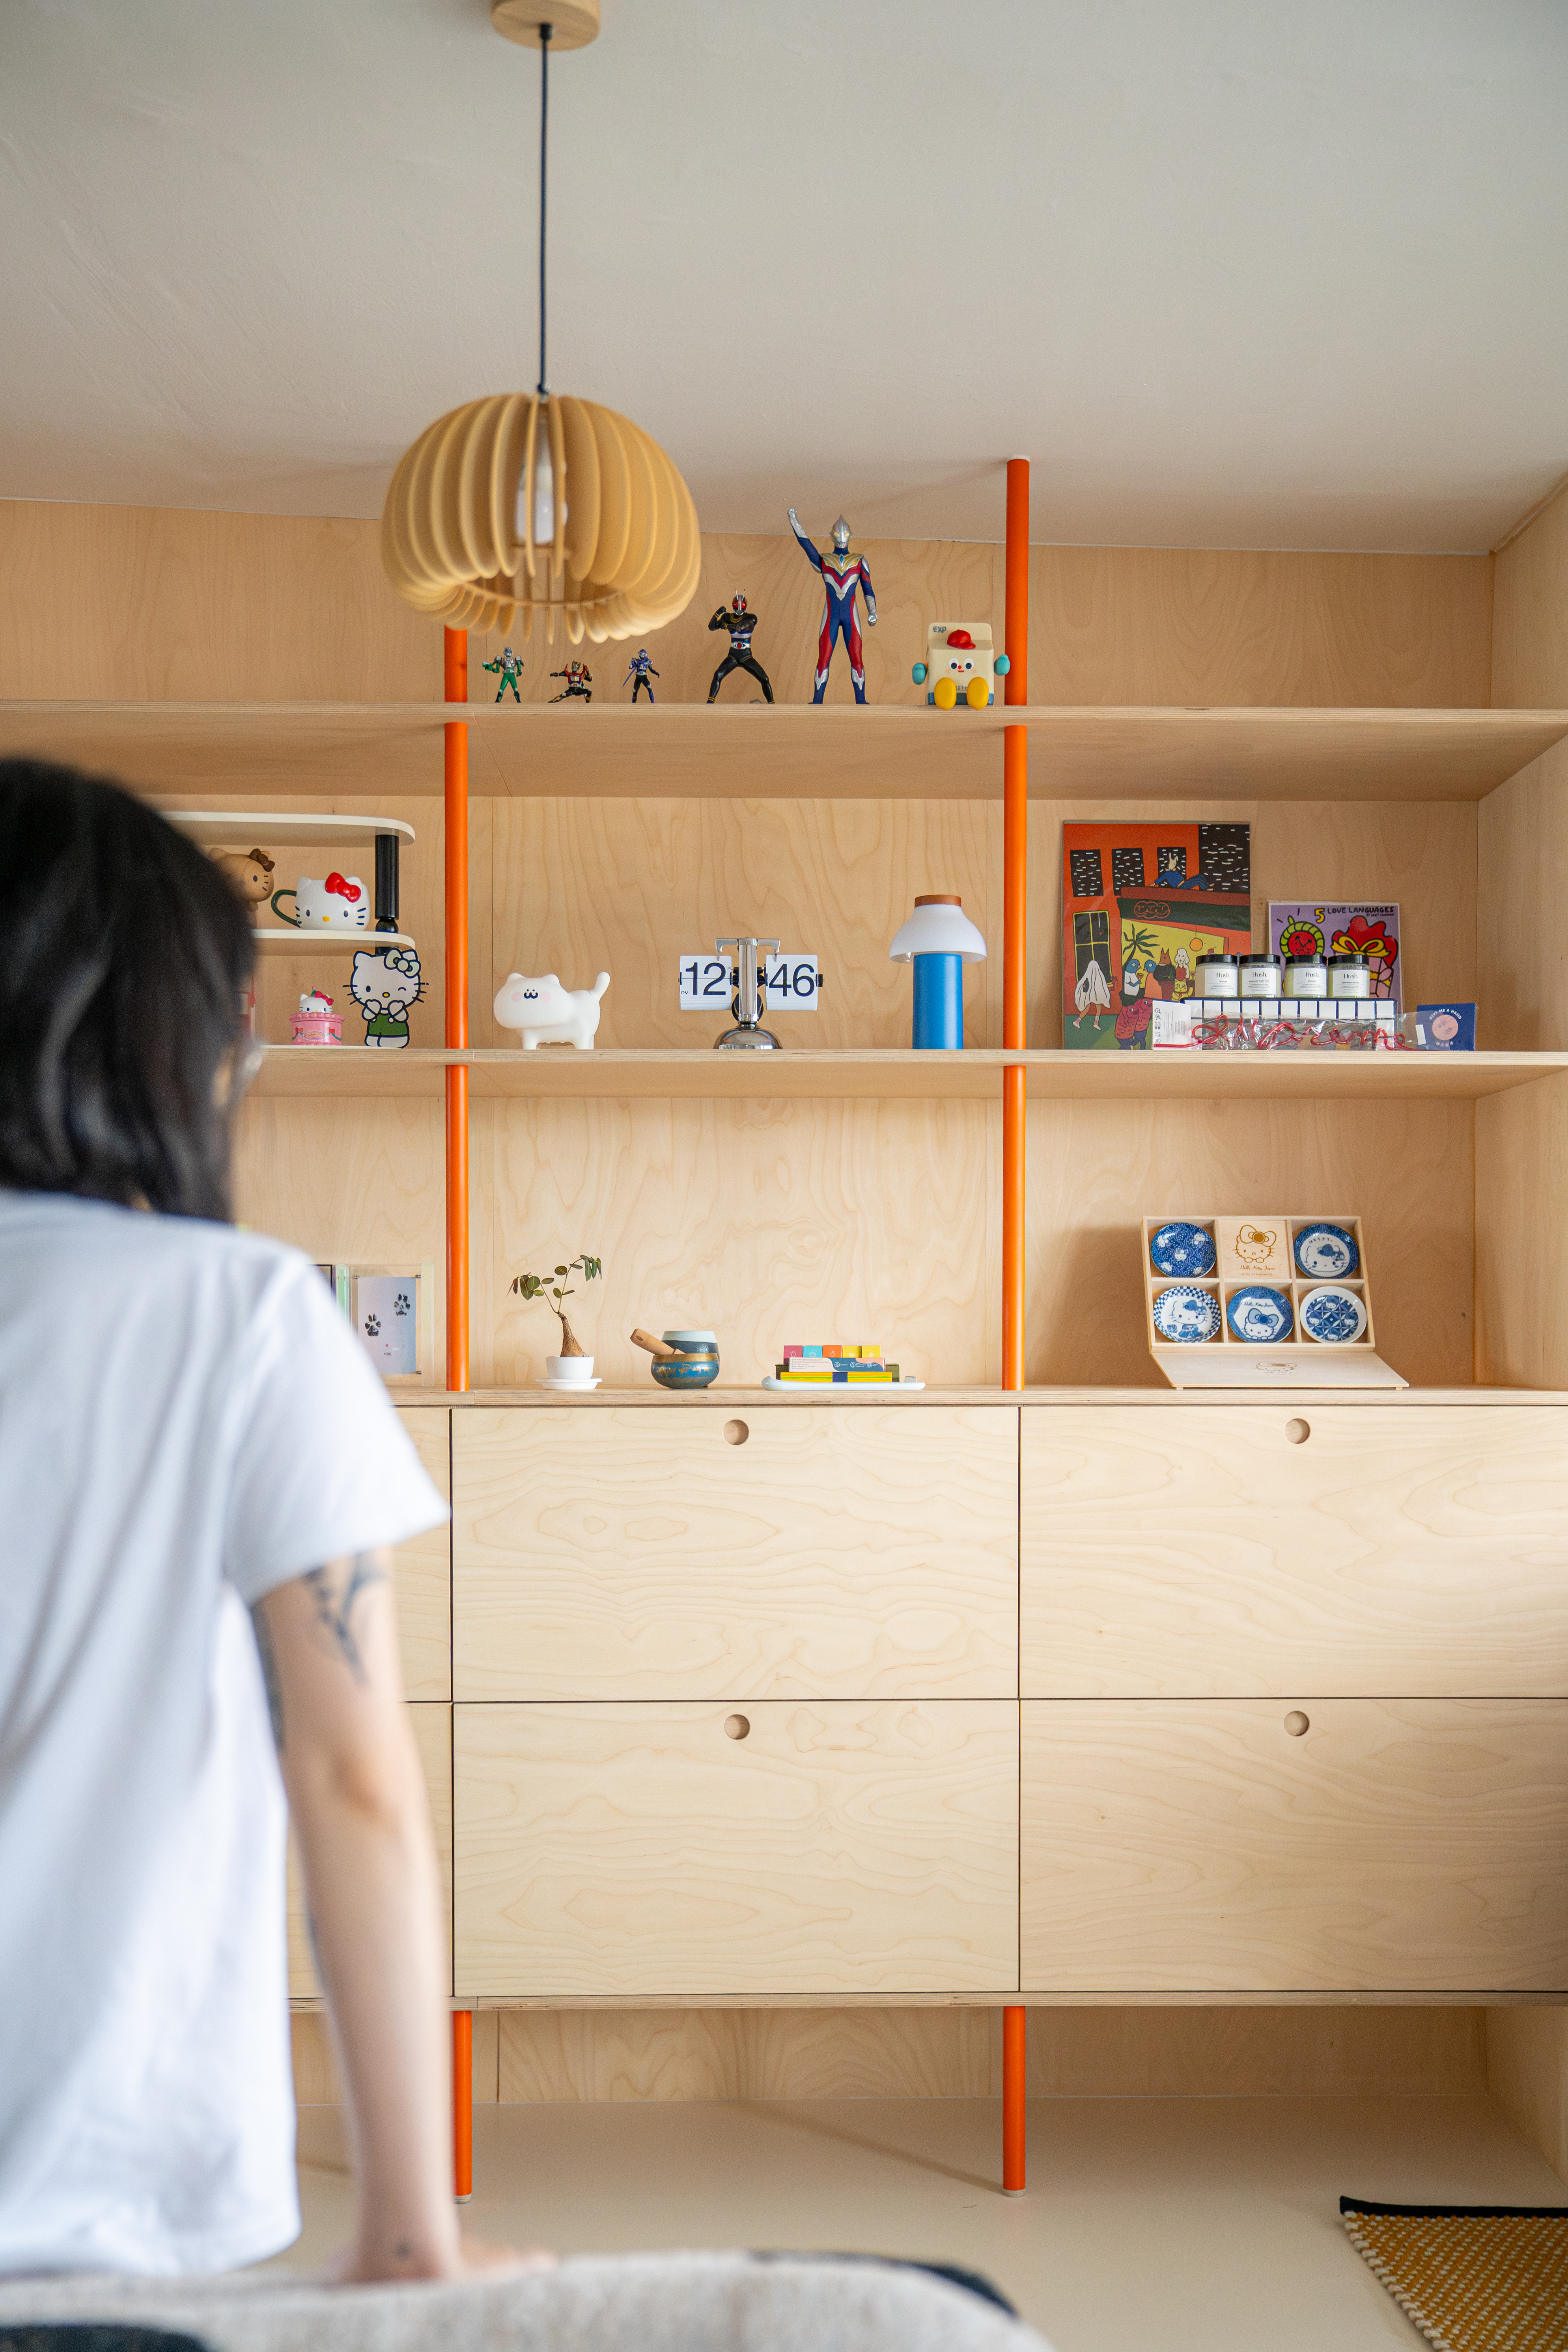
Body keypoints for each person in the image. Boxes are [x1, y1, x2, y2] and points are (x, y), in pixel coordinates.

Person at [0, 760, 539, 2284]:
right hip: (113, 2202)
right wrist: (412, 2234)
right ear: (161, 1038)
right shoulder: (236, 1316)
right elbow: (352, 1775)